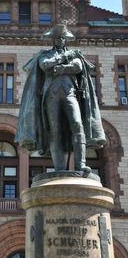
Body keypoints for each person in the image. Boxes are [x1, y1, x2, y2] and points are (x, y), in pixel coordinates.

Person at [15, 22, 106, 172]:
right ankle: (59, 168)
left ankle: (80, 165)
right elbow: (45, 65)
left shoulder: (76, 55)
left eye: (62, 38)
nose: (60, 40)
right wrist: (64, 58)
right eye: (57, 38)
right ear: (53, 40)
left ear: (66, 39)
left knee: (77, 124)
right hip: (51, 97)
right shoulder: (45, 55)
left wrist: (59, 69)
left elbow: (77, 66)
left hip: (71, 94)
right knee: (55, 130)